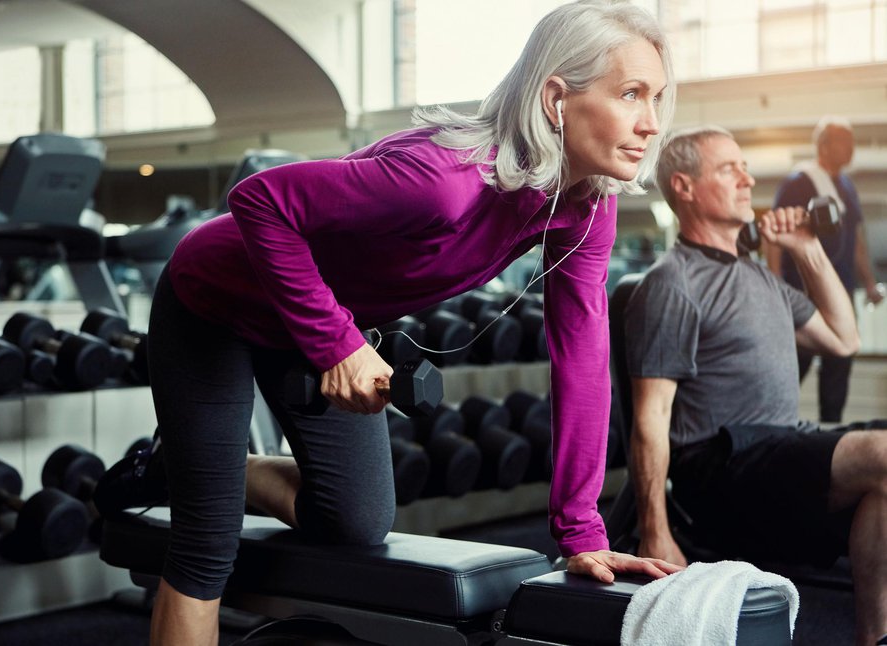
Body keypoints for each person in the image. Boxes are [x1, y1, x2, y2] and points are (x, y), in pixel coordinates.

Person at [95, 2, 683, 644]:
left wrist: (582, 531)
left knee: (355, 521)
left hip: (313, 320)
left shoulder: (583, 210)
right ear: (555, 99)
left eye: (656, 98)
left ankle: (203, 465)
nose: (651, 123)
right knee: (206, 540)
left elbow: (583, 358)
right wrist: (336, 344)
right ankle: (199, 475)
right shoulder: (444, 180)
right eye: (630, 95)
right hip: (215, 302)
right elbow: (258, 200)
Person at [624, 125, 887, 646]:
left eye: (745, 167)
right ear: (684, 187)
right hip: (723, 467)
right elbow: (650, 417)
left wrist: (805, 247)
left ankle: (874, 639)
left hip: (782, 451)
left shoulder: (762, 278)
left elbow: (843, 338)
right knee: (881, 451)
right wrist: (656, 530)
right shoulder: (673, 284)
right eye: (729, 169)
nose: (748, 179)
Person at [766, 116, 885, 422]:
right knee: (794, 366)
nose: (851, 147)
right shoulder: (799, 181)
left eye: (852, 140)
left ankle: (831, 435)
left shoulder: (846, 185)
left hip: (841, 290)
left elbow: (856, 239)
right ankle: (772, 426)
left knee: (840, 361)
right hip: (803, 292)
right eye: (843, 140)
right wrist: (777, 282)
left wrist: (869, 282)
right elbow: (775, 233)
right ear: (823, 145)